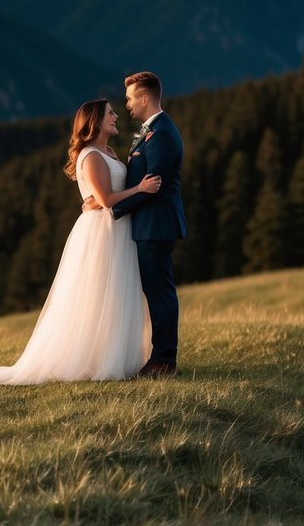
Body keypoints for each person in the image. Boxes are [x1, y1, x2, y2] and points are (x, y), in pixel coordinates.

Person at [0, 99, 159, 386]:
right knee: (98, 292)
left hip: (118, 228)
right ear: (95, 122)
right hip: (101, 232)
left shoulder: (110, 151)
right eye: (110, 113)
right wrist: (140, 188)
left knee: (116, 292)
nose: (116, 116)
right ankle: (94, 360)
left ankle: (112, 356)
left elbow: (104, 197)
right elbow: (105, 200)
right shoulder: (90, 156)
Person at [83, 71, 187, 378]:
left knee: (160, 293)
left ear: (144, 98)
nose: (126, 106)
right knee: (155, 291)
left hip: (156, 225)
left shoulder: (163, 134)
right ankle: (159, 357)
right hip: (147, 225)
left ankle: (164, 360)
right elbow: (140, 182)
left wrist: (109, 208)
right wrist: (103, 199)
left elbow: (152, 184)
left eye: (129, 99)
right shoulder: (152, 131)